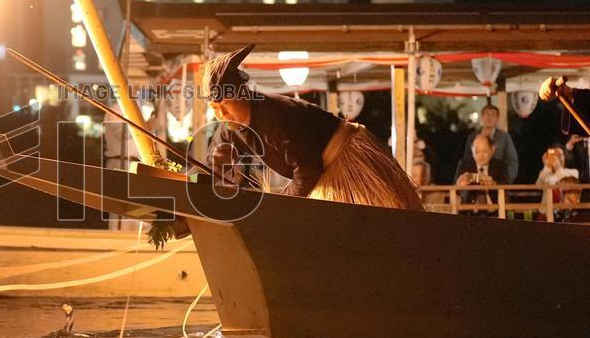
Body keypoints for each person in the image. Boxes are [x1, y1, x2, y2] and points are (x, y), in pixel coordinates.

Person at [199, 44, 424, 210]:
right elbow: (212, 166)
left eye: (225, 105)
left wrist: (281, 206)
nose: (221, 114)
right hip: (322, 174)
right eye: (214, 108)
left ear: (243, 94)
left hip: (345, 157)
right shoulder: (228, 128)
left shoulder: (277, 116)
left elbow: (308, 168)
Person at [461, 104, 518, 183]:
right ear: (482, 117)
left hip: (497, 180)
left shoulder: (504, 137)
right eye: (487, 114)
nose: (489, 117)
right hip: (474, 181)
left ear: (497, 118)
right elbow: (466, 159)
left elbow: (512, 161)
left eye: (493, 115)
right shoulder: (473, 136)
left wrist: (506, 181)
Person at [454, 134, 508, 212]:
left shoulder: (500, 165)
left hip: (495, 211)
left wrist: (493, 184)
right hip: (470, 213)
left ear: (492, 150)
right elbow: (455, 189)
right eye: (477, 152)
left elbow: (506, 185)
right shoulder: (464, 164)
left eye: (485, 151)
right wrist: (459, 186)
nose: (480, 156)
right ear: (472, 150)